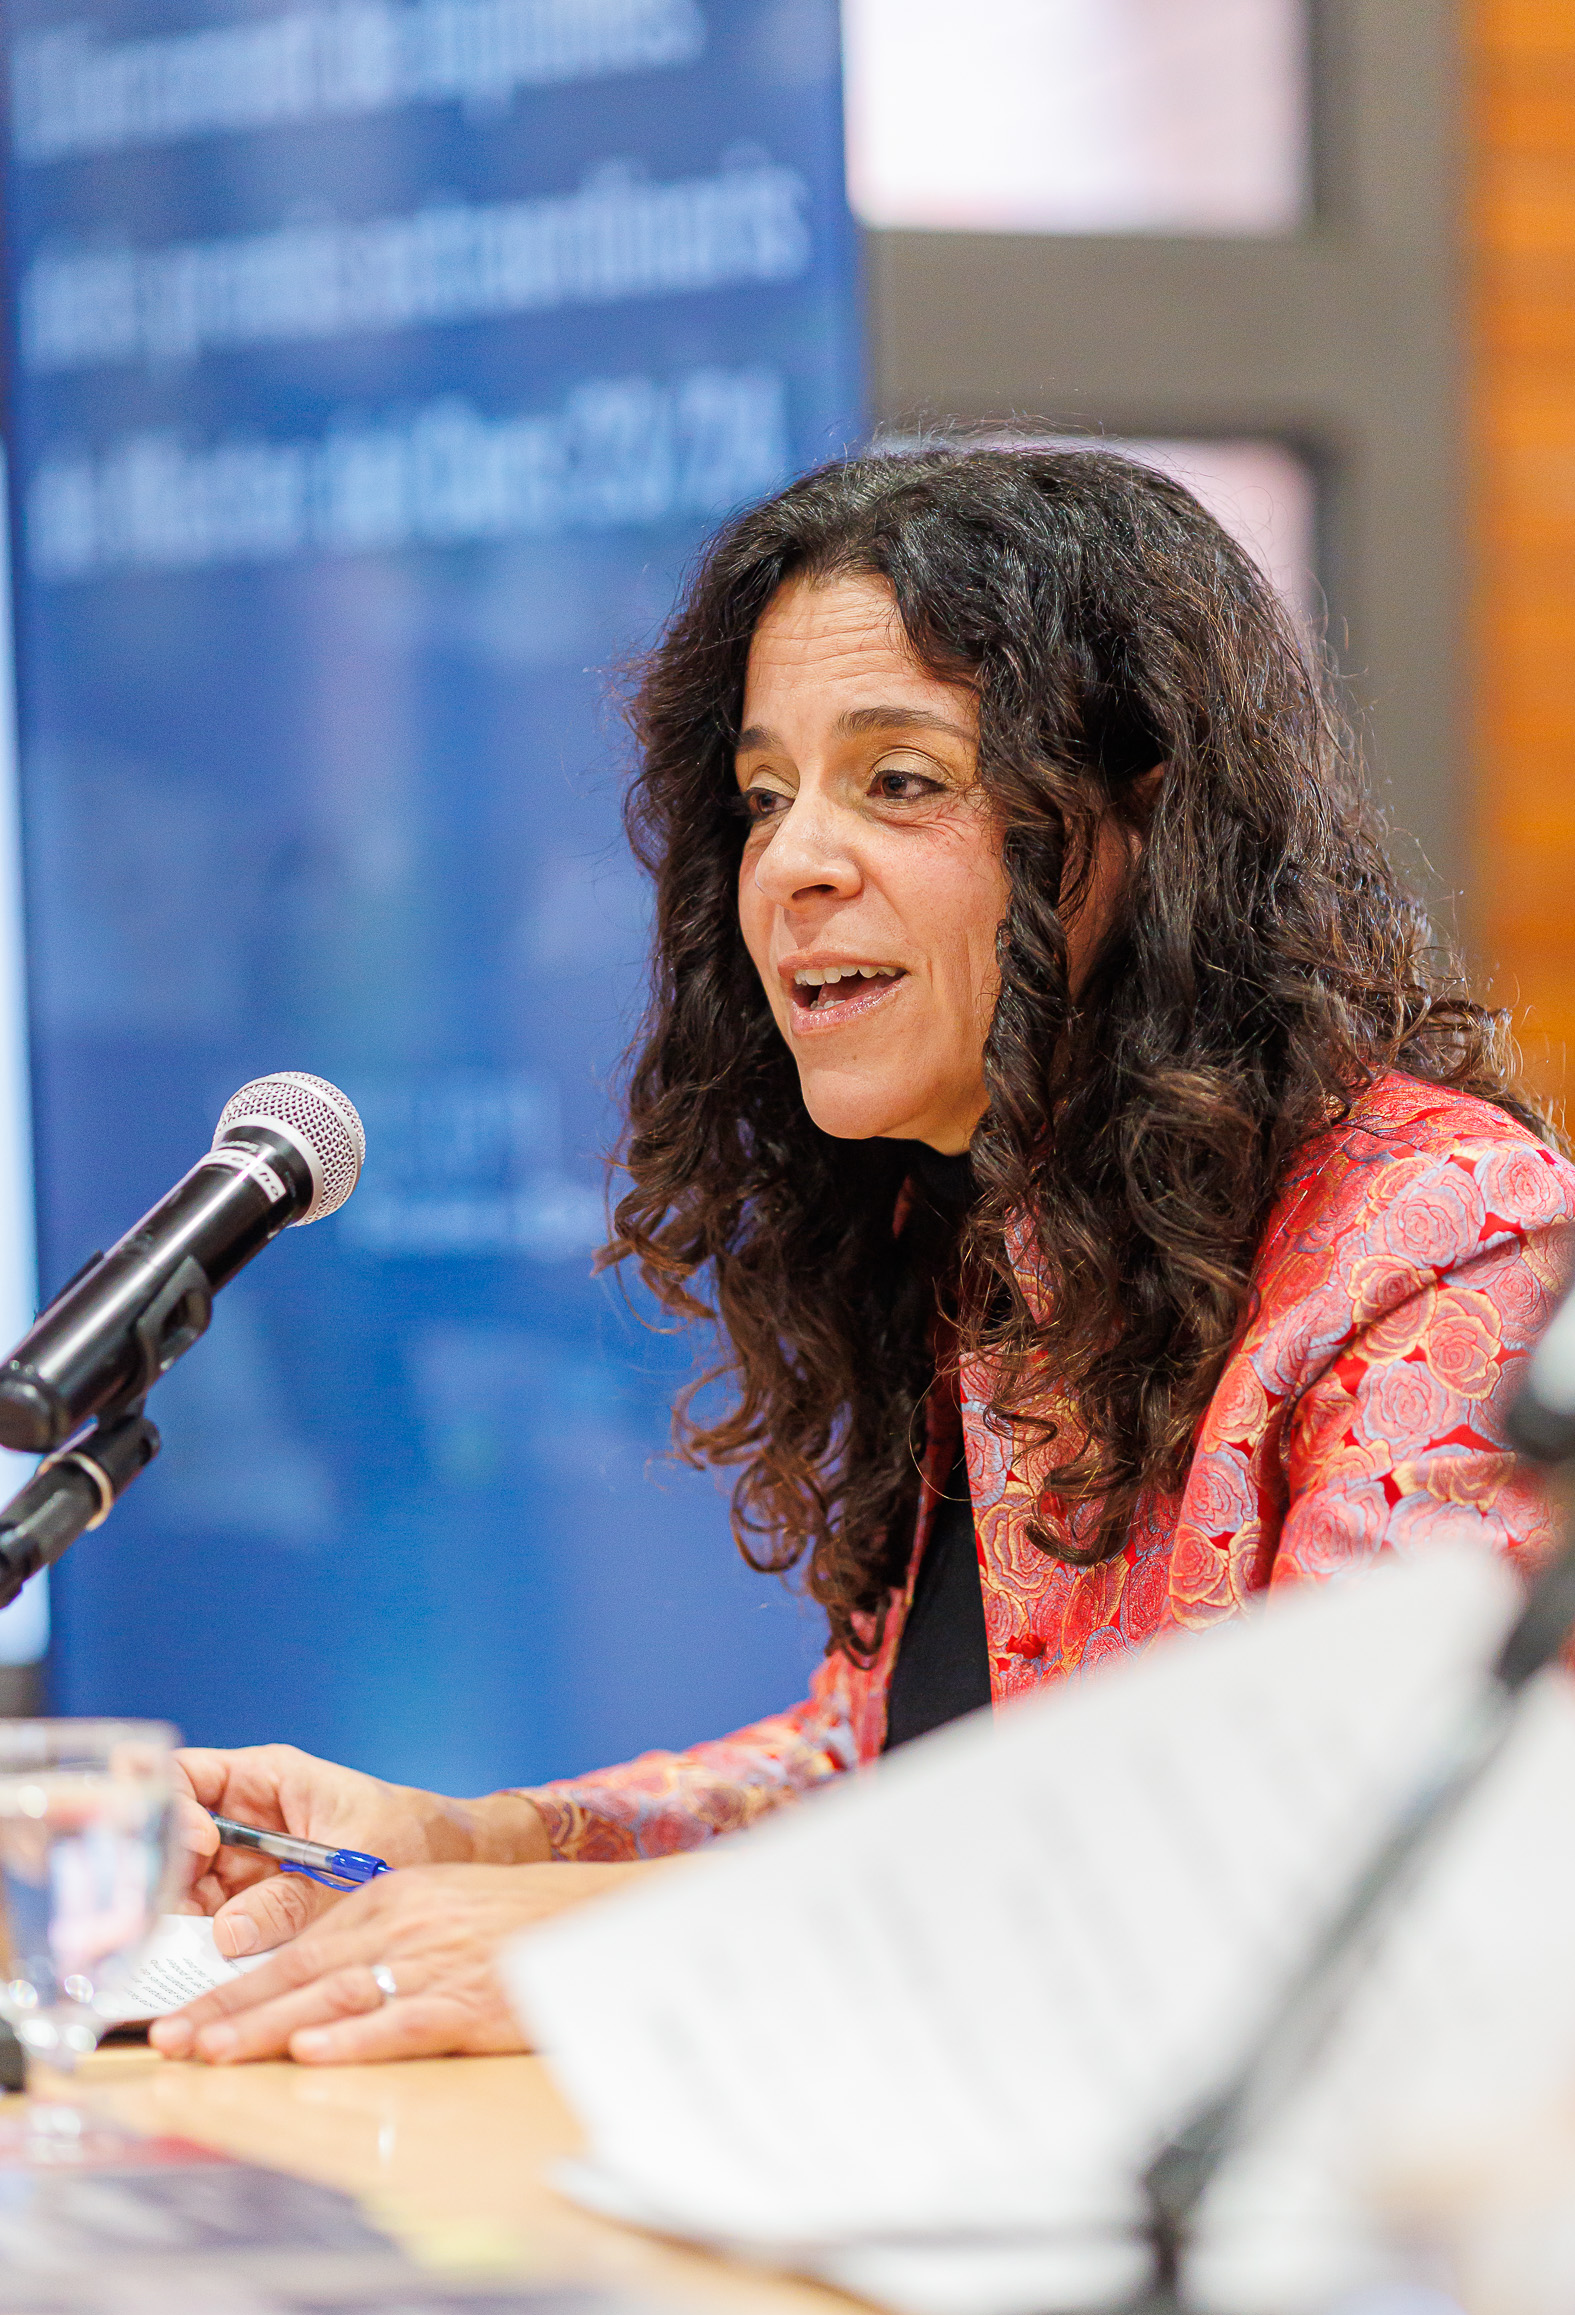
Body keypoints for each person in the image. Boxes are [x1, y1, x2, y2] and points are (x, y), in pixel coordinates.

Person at [153, 445, 1575, 2067]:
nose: (794, 863)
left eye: (899, 780)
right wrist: (470, 1844)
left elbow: (1365, 1874)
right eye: (766, 797)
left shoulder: (1445, 1233)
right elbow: (885, 1772)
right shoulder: (1000, 1227)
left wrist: (596, 1936)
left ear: (1144, 821)